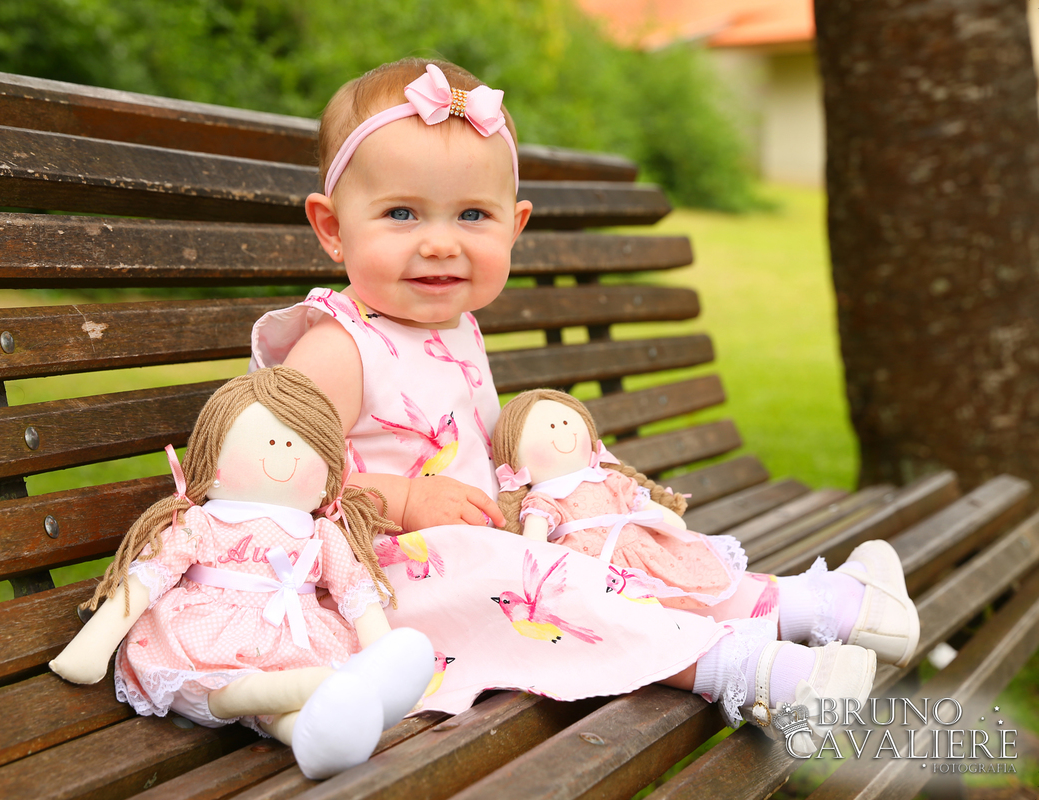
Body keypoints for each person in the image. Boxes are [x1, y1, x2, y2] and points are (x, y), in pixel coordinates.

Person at [249, 58, 918, 752]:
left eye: (472, 214)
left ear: (515, 225)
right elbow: (273, 481)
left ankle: (827, 606)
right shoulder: (336, 347)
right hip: (390, 578)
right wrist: (400, 496)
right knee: (554, 584)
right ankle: (752, 671)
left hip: (488, 542)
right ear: (331, 227)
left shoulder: (453, 324)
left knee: (611, 543)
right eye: (401, 213)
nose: (441, 241)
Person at [49, 367, 434, 779]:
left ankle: (319, 733)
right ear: (209, 459)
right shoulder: (200, 523)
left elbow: (355, 592)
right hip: (206, 636)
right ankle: (332, 688)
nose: (282, 450)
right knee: (252, 691)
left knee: (286, 709)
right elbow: (149, 576)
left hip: (296, 636)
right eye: (269, 440)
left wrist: (381, 654)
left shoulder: (322, 532)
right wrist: (92, 647)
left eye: (298, 443)